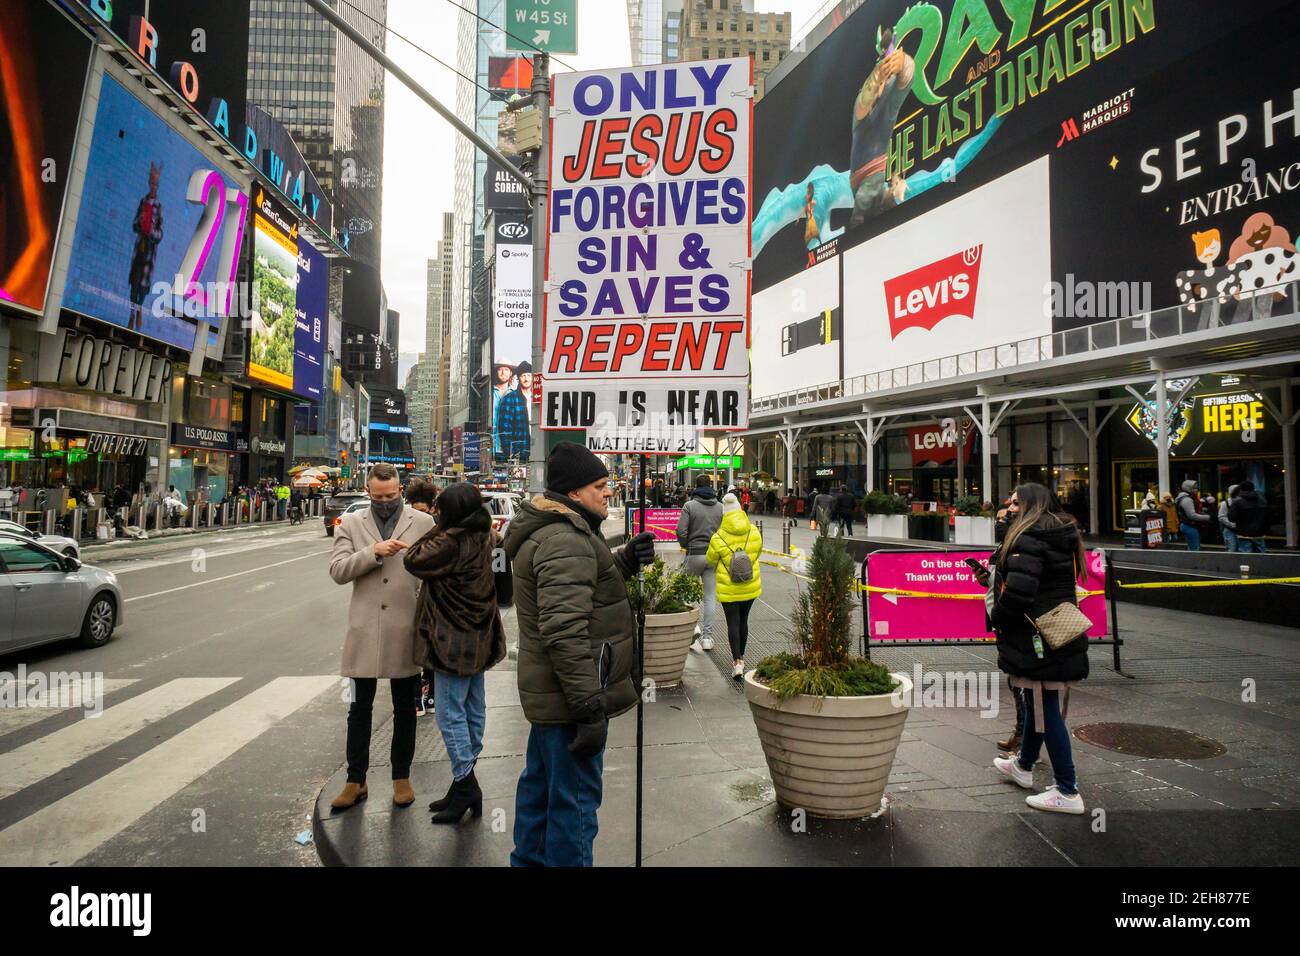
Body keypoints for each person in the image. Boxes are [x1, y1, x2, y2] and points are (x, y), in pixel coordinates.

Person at [503, 441, 656, 867]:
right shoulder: (565, 539)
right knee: (574, 810)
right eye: (600, 486)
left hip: (553, 699)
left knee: (541, 796)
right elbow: (565, 630)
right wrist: (589, 708)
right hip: (570, 701)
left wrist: (623, 561)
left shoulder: (562, 533)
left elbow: (579, 593)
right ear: (573, 493)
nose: (609, 493)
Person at [327, 463, 435, 812]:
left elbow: (434, 572)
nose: (385, 502)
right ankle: (355, 780)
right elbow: (338, 571)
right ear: (367, 492)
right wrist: (372, 553)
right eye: (378, 496)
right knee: (359, 709)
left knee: (406, 708)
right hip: (364, 631)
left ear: (401, 490)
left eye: (391, 496)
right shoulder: (353, 524)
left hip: (405, 628)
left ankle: (401, 777)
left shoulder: (423, 523)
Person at [404, 482, 507, 824]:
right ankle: (463, 780)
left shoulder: (451, 540)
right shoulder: (487, 535)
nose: (435, 513)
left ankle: (465, 783)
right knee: (474, 707)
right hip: (480, 634)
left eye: (440, 509)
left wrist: (441, 526)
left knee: (450, 714)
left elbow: (413, 558)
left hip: (450, 639)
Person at [989, 483, 1089, 814]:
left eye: (1016, 502)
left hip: (1038, 637)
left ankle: (1067, 789)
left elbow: (1018, 593)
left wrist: (997, 617)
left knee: (1044, 705)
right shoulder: (1060, 532)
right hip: (1055, 631)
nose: (1010, 506)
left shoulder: (1030, 537)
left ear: (1031, 505)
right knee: (1038, 700)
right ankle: (1024, 764)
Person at [706, 493, 763, 680]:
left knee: (733, 623)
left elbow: (710, 559)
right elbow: (757, 552)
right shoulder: (753, 531)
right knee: (743, 620)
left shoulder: (718, 537)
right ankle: (743, 658)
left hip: (728, 586)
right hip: (750, 584)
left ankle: (736, 662)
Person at [404, 478, 440, 716]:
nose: (419, 516)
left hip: (432, 596)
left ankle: (430, 697)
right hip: (411, 594)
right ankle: (417, 698)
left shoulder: (437, 526)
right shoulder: (405, 525)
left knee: (432, 651)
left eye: (423, 512)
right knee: (414, 652)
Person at [675, 475, 723, 651]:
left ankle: (693, 627)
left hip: (694, 554)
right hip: (713, 556)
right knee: (710, 597)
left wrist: (685, 545)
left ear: (695, 487)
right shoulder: (721, 507)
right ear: (711, 486)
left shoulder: (689, 506)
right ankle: (707, 638)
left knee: (683, 592)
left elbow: (681, 531)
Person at [1228, 480, 1270, 552]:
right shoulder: (1263, 501)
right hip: (1259, 533)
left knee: (1246, 556)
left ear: (1241, 489)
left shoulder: (1238, 502)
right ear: (1253, 488)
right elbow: (1268, 518)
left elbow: (1231, 518)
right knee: (1262, 556)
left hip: (1243, 533)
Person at [1174, 480, 1211, 550]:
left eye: (1197, 488)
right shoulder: (1187, 499)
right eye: (1194, 488)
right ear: (1188, 489)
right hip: (1189, 526)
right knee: (1195, 549)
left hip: (1188, 525)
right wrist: (1207, 517)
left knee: (1192, 548)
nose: (1196, 490)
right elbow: (1192, 515)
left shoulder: (1187, 498)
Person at [1219, 484, 1240, 553]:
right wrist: (1232, 524)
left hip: (1241, 530)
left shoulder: (1243, 502)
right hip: (1229, 530)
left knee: (1241, 550)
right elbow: (1221, 517)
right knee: (1232, 549)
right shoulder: (1225, 503)